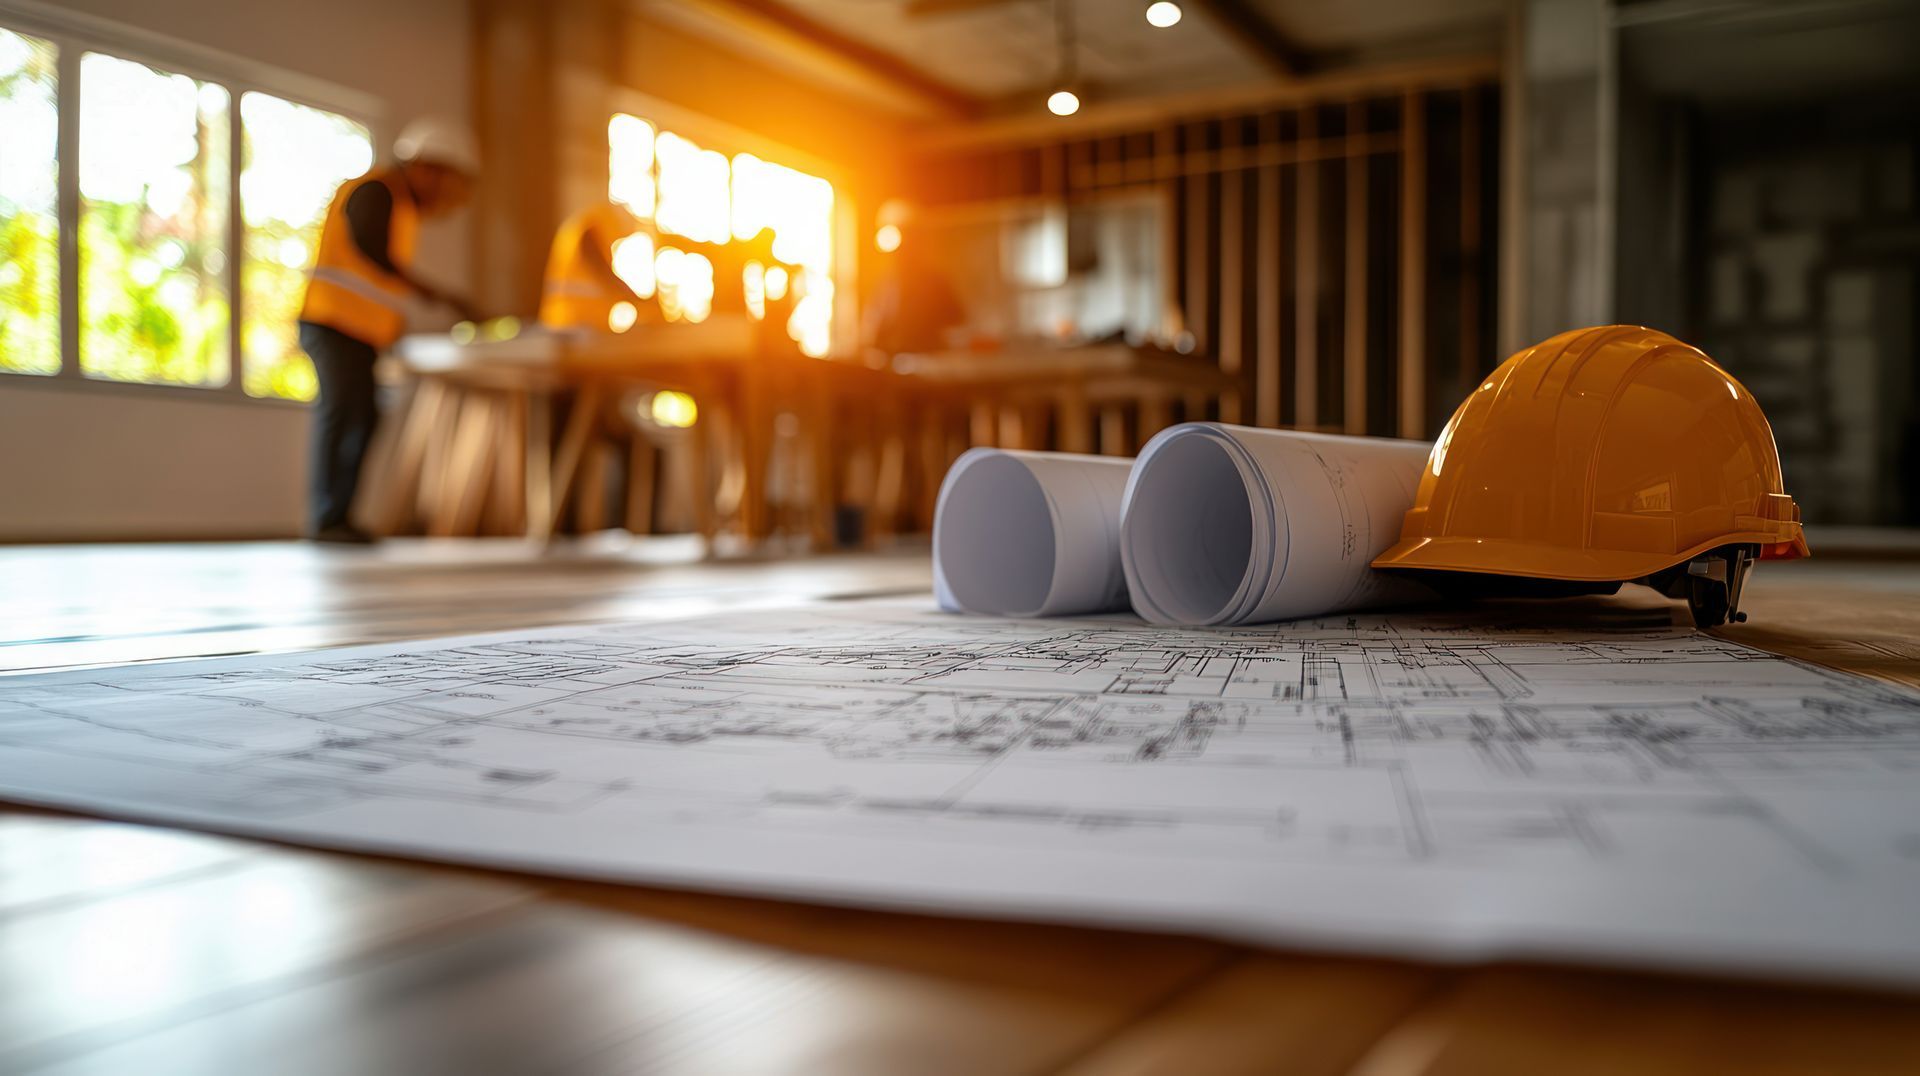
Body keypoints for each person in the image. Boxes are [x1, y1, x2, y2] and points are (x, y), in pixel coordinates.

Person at [298, 117, 478, 543]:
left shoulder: (400, 208)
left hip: (358, 330)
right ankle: (328, 519)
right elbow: (371, 249)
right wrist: (436, 293)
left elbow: (377, 281)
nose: (442, 196)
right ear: (425, 167)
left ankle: (340, 517)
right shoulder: (376, 191)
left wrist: (395, 320)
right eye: (444, 182)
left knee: (363, 416)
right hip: (333, 322)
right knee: (344, 415)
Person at [539, 201, 652, 332]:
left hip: (576, 319)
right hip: (572, 321)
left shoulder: (586, 226)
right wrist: (639, 300)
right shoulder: (591, 230)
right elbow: (604, 274)